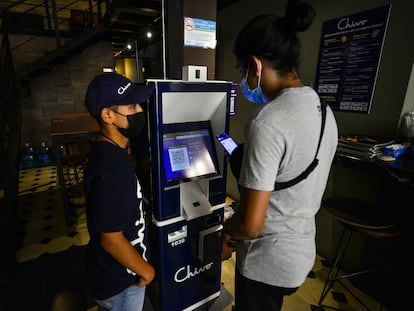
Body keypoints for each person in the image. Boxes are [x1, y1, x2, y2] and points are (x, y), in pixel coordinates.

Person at [221, 1, 339, 310]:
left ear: (256, 66)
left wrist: (225, 233)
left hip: (266, 264)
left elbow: (251, 225)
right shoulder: (324, 111)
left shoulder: (267, 121)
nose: (243, 79)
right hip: (300, 255)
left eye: (241, 69)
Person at [83, 72, 155, 311]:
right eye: (132, 106)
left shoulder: (111, 151)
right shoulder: (111, 169)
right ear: (107, 115)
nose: (139, 111)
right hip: (122, 283)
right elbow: (111, 239)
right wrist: (146, 270)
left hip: (114, 276)